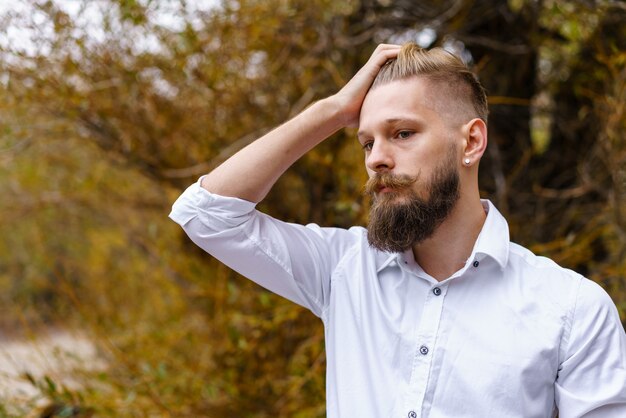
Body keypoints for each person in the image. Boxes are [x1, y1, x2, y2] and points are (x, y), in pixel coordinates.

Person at [169, 43, 626, 417]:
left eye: (402, 133)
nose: (376, 159)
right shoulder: (343, 270)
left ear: (471, 142)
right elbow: (206, 214)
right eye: (367, 141)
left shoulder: (572, 310)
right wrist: (332, 111)